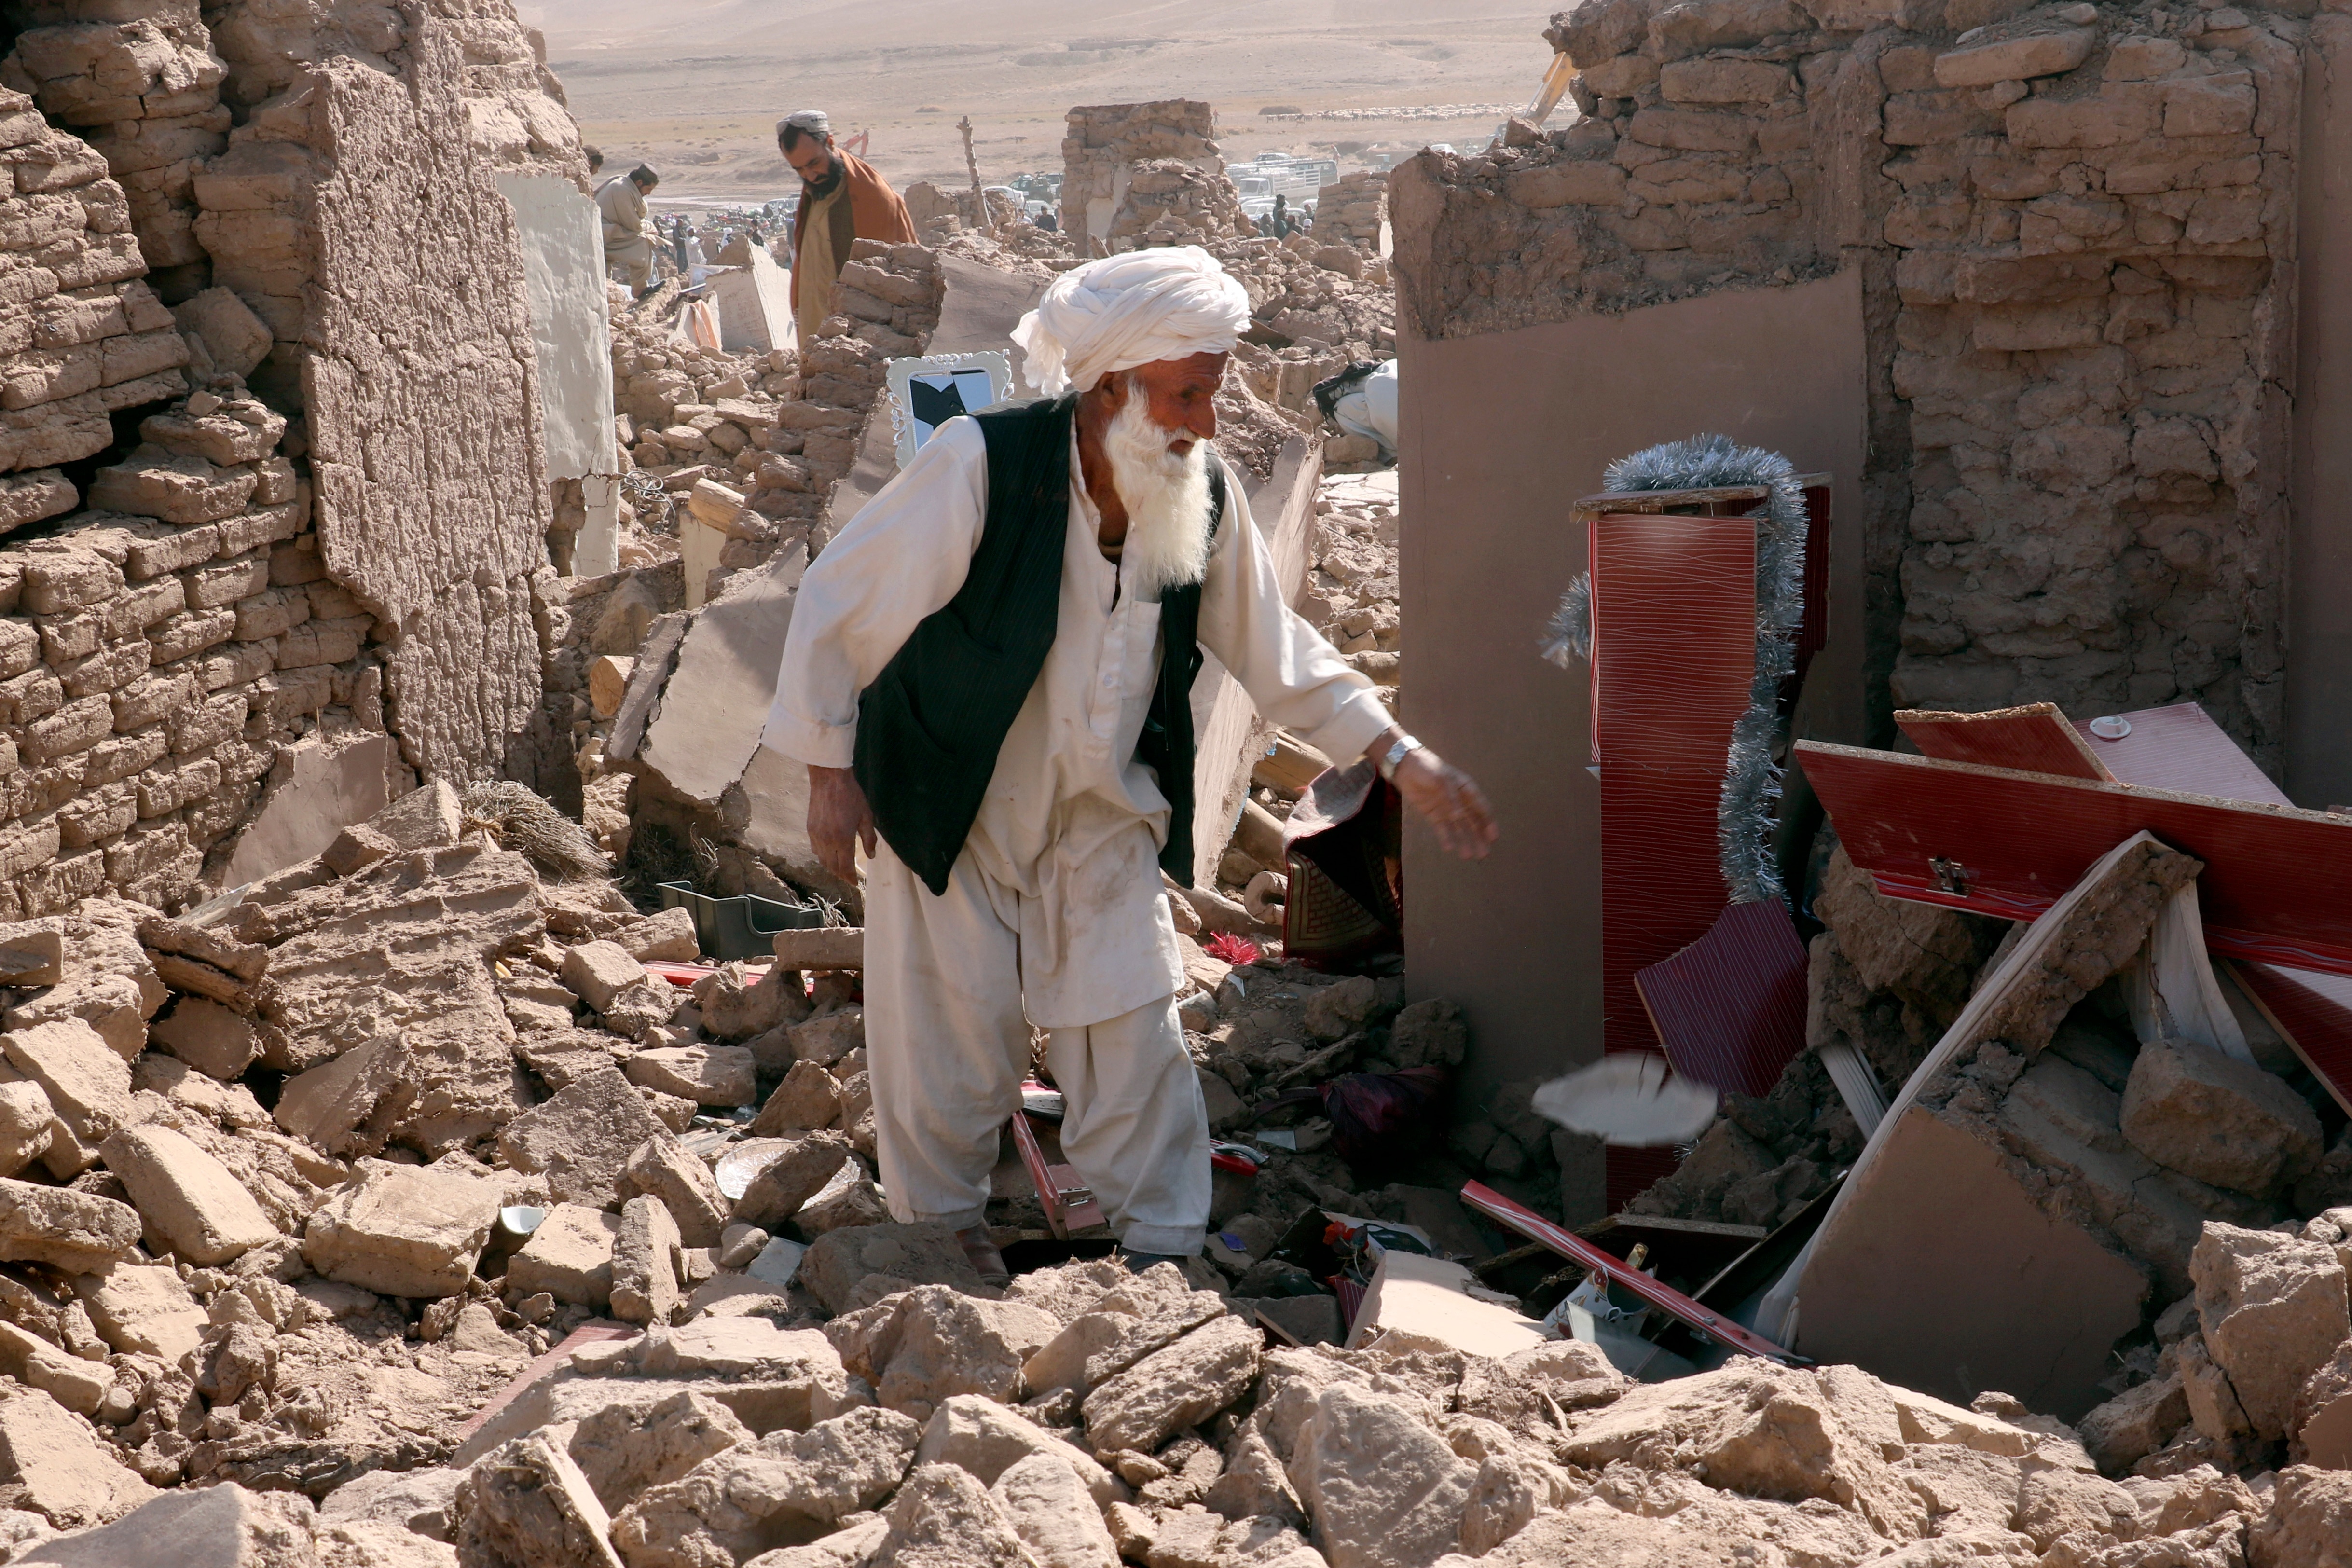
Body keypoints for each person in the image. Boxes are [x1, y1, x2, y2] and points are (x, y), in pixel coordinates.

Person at [763, 248, 1496, 1282]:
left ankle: (1163, 1258)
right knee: (949, 1041)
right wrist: (828, 769)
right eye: (1187, 393)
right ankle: (941, 1244)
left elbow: (1269, 643)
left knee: (1133, 1033)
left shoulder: (1198, 495)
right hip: (952, 798)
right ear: (1112, 387)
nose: (1203, 420)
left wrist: (1391, 748)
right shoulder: (983, 463)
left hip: (1101, 809)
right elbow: (840, 600)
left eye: (1214, 393)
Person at [776, 109, 915, 349]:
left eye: (813, 164)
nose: (809, 175)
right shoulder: (814, 196)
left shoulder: (872, 199)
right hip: (817, 342)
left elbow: (896, 285)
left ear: (830, 143)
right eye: (799, 170)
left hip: (859, 347)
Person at [595, 163, 660, 294]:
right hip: (603, 236)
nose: (649, 193)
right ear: (640, 183)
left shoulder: (625, 186)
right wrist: (651, 227)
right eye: (648, 189)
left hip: (611, 233)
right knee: (644, 242)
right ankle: (639, 288)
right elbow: (634, 226)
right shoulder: (621, 190)